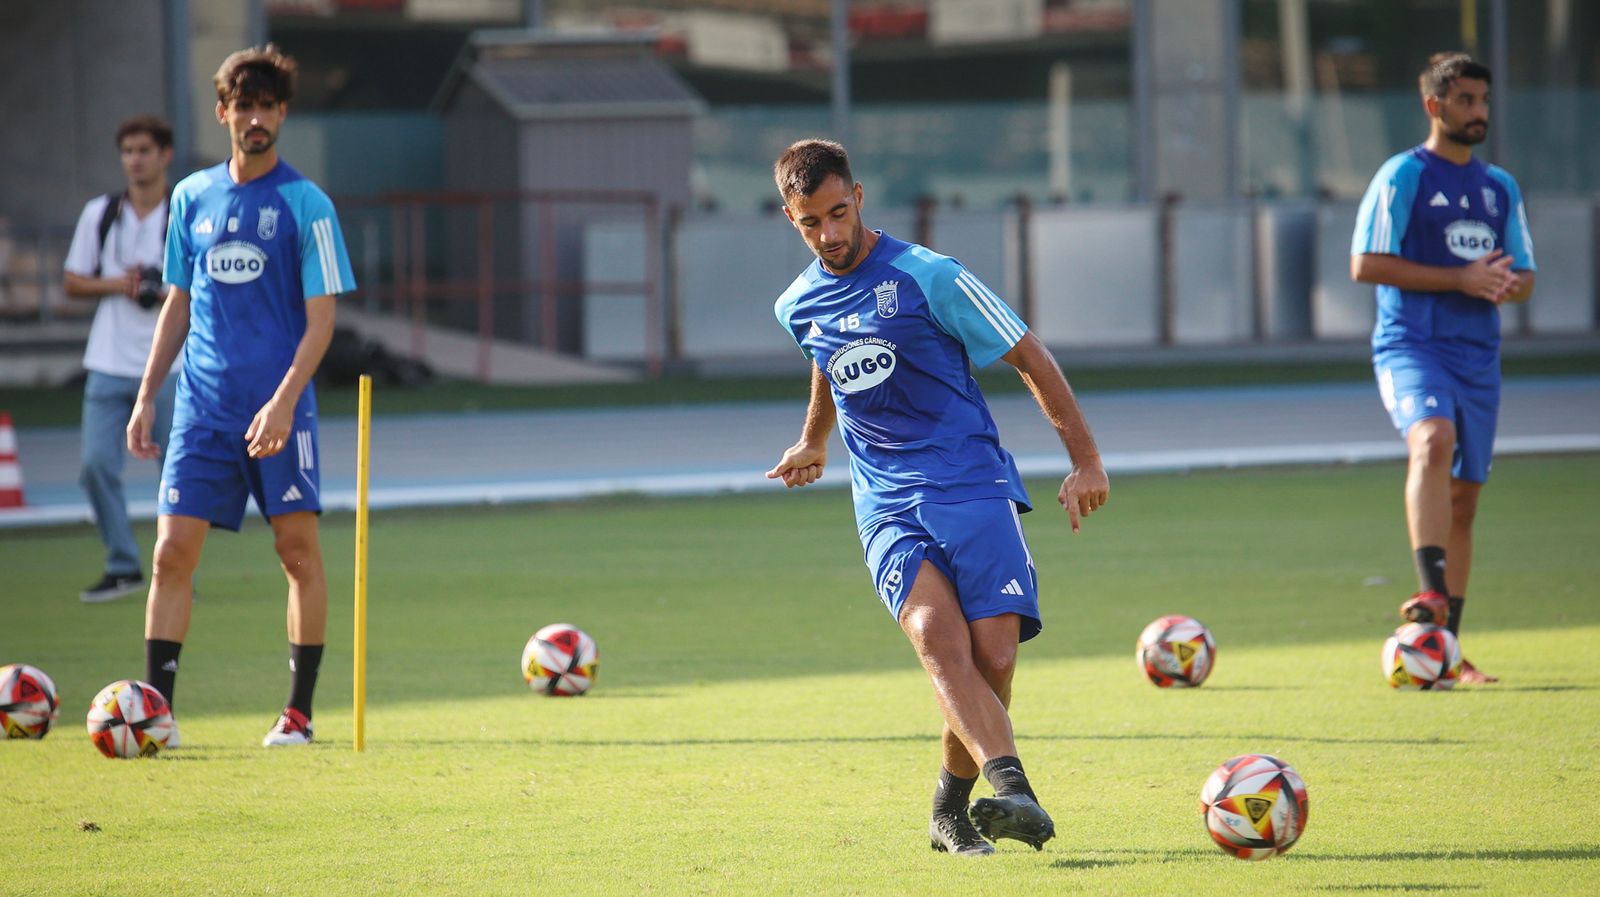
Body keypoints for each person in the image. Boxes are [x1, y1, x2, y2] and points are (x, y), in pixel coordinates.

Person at [765, 139, 1109, 855]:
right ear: (791, 218)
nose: (828, 234)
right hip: (886, 499)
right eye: (809, 223)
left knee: (997, 659)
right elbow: (829, 362)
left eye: (836, 213)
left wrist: (1085, 460)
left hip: (971, 482)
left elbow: (1028, 353)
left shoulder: (930, 276)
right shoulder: (796, 303)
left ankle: (948, 808)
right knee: (934, 638)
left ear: (858, 197)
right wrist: (814, 440)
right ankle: (1012, 788)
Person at [127, 44, 355, 746]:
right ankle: (155, 715)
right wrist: (146, 396)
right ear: (222, 112)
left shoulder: (306, 204)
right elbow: (177, 304)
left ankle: (298, 713)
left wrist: (286, 399)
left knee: (297, 554)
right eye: (243, 107)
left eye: (268, 107)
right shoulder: (191, 197)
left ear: (281, 114)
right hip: (202, 406)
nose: (255, 119)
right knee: (169, 555)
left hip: (280, 409)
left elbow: (323, 321)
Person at [1351, 53, 1535, 685]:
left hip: (1478, 357)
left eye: (1483, 101)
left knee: (1466, 503)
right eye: (1465, 101)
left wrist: (1503, 284)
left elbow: (1527, 277)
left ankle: (1447, 653)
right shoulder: (1403, 176)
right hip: (1412, 345)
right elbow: (1366, 263)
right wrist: (1460, 277)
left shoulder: (1499, 187)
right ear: (1435, 106)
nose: (1479, 112)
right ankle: (1429, 594)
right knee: (1432, 439)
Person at [63, 115, 178, 603]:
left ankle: (173, 569)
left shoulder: (183, 211)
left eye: (144, 150)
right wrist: (122, 284)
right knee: (94, 465)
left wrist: (160, 287)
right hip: (109, 361)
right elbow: (72, 280)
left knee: (176, 475)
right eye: (127, 151)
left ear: (165, 155)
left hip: (171, 364)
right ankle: (123, 564)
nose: (135, 160)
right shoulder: (101, 213)